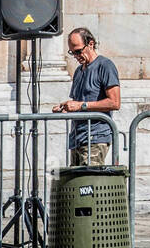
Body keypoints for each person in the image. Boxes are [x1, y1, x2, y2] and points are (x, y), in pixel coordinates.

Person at [52, 27, 121, 167]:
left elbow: (115, 102)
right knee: (77, 183)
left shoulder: (105, 66)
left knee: (89, 183)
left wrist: (81, 105)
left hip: (95, 137)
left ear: (90, 44)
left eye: (78, 51)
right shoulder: (78, 71)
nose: (76, 56)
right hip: (77, 138)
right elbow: (78, 102)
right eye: (72, 53)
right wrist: (66, 107)